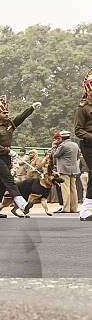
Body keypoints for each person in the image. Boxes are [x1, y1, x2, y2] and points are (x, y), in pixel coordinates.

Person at [0, 95, 40, 218]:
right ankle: (22, 205)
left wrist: (31, 108)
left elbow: (21, 117)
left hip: (6, 158)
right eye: (4, 113)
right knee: (9, 180)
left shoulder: (10, 124)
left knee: (1, 185)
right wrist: (7, 151)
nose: (7, 114)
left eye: (7, 112)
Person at [74, 69, 92, 221]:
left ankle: (86, 209)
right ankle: (85, 210)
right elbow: (78, 130)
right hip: (88, 144)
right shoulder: (83, 107)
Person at [53, 131, 81, 213]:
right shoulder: (75, 145)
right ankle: (74, 208)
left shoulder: (63, 145)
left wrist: (54, 146)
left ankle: (66, 208)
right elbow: (78, 156)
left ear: (61, 138)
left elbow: (55, 155)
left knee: (65, 189)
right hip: (74, 169)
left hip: (64, 170)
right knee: (73, 189)